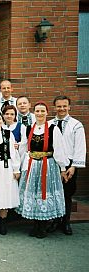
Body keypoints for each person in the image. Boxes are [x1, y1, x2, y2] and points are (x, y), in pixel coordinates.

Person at [16, 102, 69, 239]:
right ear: (34, 113)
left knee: (44, 193)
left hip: (48, 165)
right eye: (37, 111)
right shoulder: (28, 129)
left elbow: (59, 149)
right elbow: (23, 149)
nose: (39, 114)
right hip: (32, 165)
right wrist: (19, 166)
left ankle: (43, 226)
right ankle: (35, 225)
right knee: (33, 193)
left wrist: (62, 168)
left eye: (42, 111)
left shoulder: (53, 129)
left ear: (46, 113)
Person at [47, 95, 86, 235]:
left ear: (69, 107)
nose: (62, 109)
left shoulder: (76, 125)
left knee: (67, 193)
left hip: (70, 164)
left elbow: (80, 146)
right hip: (54, 163)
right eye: (59, 106)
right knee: (54, 193)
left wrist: (74, 166)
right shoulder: (50, 124)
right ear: (54, 107)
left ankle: (66, 222)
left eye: (64, 106)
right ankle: (55, 221)